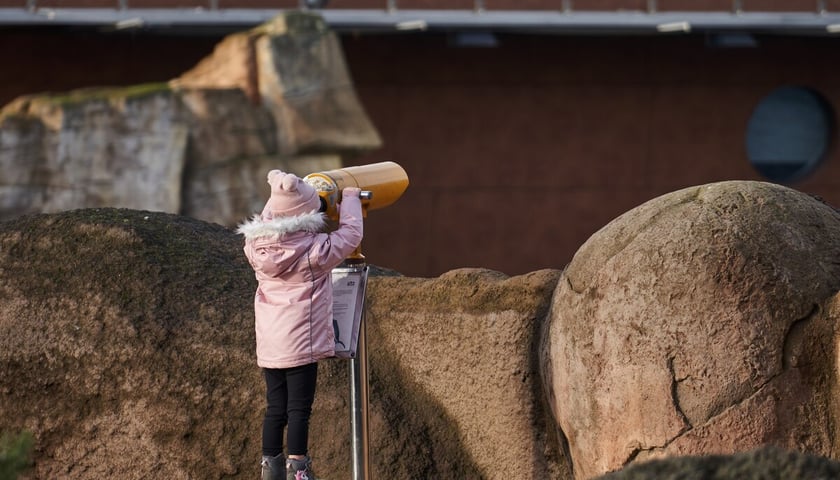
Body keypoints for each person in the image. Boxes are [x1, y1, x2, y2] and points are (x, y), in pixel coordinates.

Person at [237, 169, 363, 480]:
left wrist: (285, 199)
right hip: (300, 343)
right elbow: (350, 235)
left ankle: (270, 468)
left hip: (271, 343)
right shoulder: (313, 252)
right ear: (306, 214)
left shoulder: (255, 249)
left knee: (275, 407)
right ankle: (298, 469)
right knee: (299, 410)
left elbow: (275, 212)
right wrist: (350, 198)